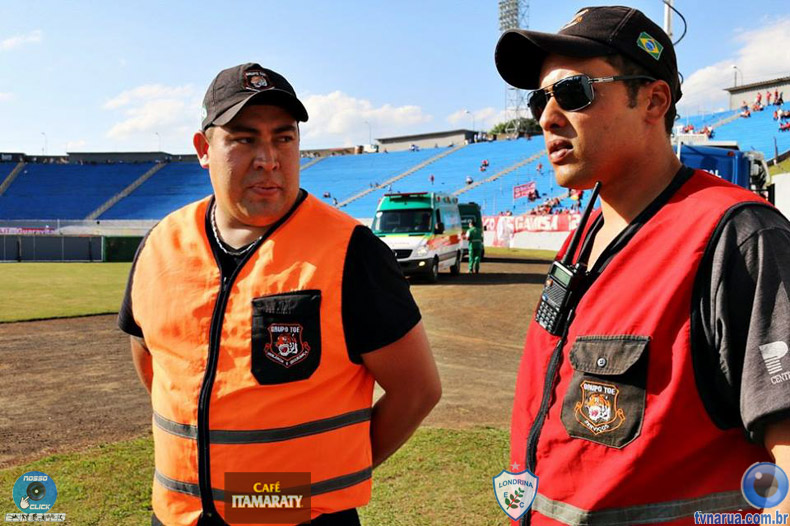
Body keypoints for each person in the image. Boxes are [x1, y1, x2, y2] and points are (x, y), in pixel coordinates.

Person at [495, 6, 790, 524]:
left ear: (653, 100)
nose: (545, 117)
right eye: (539, 98)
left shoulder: (739, 236)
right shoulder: (588, 231)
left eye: (573, 93)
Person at [118, 63, 441, 526]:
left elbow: (417, 389)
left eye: (283, 138)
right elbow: (154, 365)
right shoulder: (160, 246)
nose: (268, 158)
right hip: (176, 515)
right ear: (203, 149)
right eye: (244, 139)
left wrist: (329, 473)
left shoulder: (352, 252)